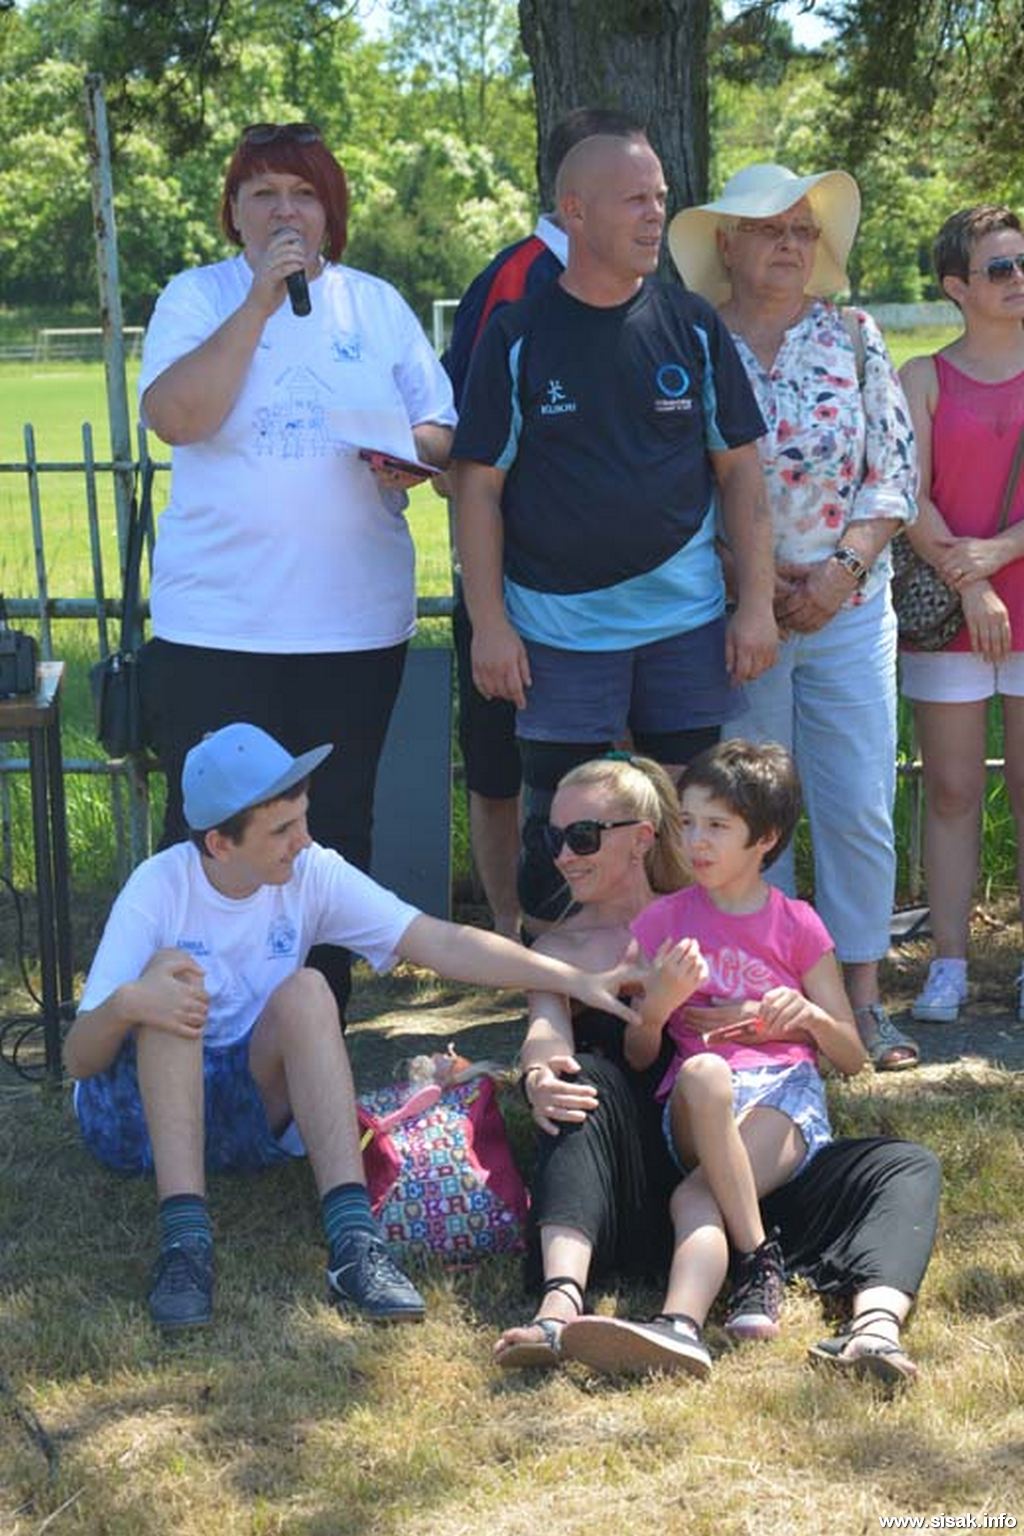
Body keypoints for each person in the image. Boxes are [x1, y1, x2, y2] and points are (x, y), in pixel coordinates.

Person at [64, 723, 643, 1331]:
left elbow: (440, 942)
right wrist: (131, 1002)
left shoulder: (311, 870)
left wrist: (575, 979)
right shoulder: (158, 886)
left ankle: (353, 1241)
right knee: (168, 985)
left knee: (310, 990)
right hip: (135, 1124)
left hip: (244, 1115)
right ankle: (184, 1243)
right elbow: (79, 1059)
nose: (304, 840)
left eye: (302, 819)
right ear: (219, 844)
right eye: (282, 830)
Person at [138, 121, 456, 1021]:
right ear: (234, 212)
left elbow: (440, 426)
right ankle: (196, 1023)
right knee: (211, 829)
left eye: (305, 194)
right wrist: (258, 305)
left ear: (331, 213)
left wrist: (409, 456)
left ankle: (314, 1022)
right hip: (219, 624)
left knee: (333, 828)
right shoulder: (197, 297)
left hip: (353, 623)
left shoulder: (375, 306)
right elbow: (177, 417)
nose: (286, 211)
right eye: (265, 194)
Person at [496, 751, 939, 1386]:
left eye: (582, 836)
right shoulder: (623, 935)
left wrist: (800, 1017)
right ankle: (584, 1308)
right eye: (552, 837)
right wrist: (549, 1066)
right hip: (661, 1151)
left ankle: (872, 1327)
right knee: (626, 1088)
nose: (563, 855)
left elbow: (849, 1054)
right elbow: (567, 1035)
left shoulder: (768, 918)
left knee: (908, 1164)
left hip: (767, 1132)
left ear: (640, 839)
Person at [452, 131, 778, 929]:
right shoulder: (517, 334)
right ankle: (559, 994)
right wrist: (490, 624)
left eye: (659, 197)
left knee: (688, 827)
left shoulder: (691, 325)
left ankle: (675, 989)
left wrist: (756, 606)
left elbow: (741, 473)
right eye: (635, 199)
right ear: (575, 210)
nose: (655, 213)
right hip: (556, 633)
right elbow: (477, 489)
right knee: (565, 833)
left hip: (684, 627)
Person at [668, 162, 920, 1072]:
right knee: (747, 812)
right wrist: (755, 580)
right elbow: (677, 481)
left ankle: (861, 999)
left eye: (803, 231)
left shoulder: (854, 335)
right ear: (725, 242)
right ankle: (760, 997)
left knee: (857, 803)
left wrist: (841, 572)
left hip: (848, 607)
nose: (789, 244)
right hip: (744, 609)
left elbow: (895, 473)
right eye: (769, 228)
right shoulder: (695, 338)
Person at [564, 740, 866, 1378]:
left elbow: (852, 1057)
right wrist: (657, 1007)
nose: (696, 842)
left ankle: (679, 1323)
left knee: (697, 1195)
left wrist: (808, 1016)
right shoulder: (663, 921)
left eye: (717, 827)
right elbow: (639, 1055)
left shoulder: (798, 924)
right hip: (694, 1104)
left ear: (766, 838)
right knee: (704, 1071)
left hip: (782, 1096)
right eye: (688, 823)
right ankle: (759, 1259)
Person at [442, 107, 647, 938]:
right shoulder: (512, 279)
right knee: (502, 763)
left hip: (628, 592)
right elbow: (458, 435)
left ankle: (619, 928)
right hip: (516, 579)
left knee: (619, 763)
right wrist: (490, 602)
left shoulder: (652, 289)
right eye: (625, 185)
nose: (646, 206)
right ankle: (514, 930)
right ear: (574, 193)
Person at [898, 207, 1024, 1024]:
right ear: (956, 286)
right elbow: (907, 495)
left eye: (1023, 262)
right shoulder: (924, 378)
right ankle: (948, 962)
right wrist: (972, 582)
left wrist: (999, 554)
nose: (1019, 279)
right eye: (999, 268)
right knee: (950, 789)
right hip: (950, 613)